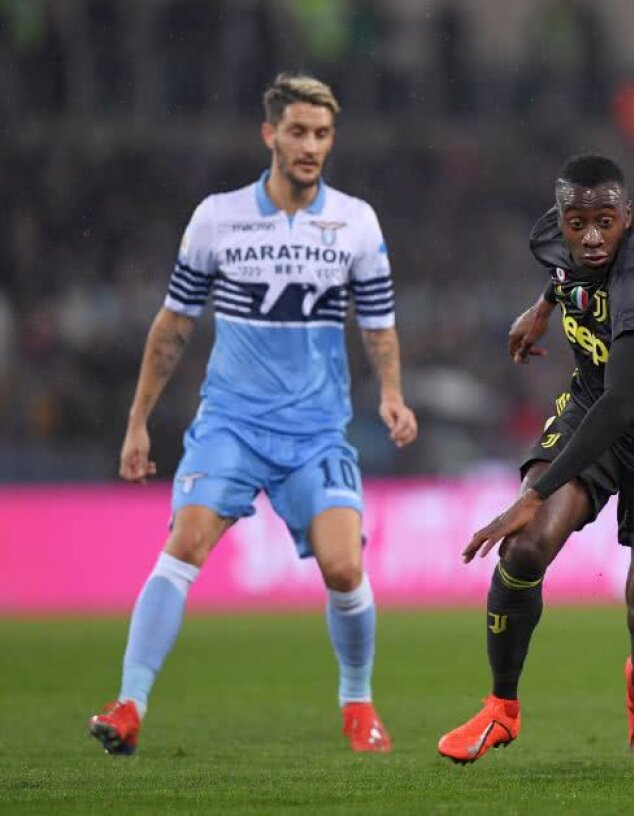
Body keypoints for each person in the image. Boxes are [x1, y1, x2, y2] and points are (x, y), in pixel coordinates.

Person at [87, 73, 418, 756]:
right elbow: (174, 324)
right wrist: (137, 420)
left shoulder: (355, 222)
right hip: (231, 426)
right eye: (297, 131)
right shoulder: (218, 217)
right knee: (185, 546)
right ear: (270, 135)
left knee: (344, 570)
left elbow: (379, 324)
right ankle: (128, 704)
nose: (310, 145)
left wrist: (391, 391)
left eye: (322, 134)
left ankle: (357, 705)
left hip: (316, 432)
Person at [437, 154, 634, 771]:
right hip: (589, 405)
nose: (590, 237)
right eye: (578, 222)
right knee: (524, 549)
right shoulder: (559, 235)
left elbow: (625, 405)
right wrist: (542, 307)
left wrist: (531, 494)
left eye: (604, 222)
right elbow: (563, 270)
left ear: (628, 215)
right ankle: (501, 707)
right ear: (562, 217)